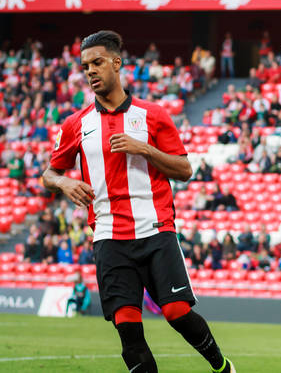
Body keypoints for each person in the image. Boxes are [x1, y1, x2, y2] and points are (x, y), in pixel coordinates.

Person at [42, 30, 233, 373]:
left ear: (117, 63)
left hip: (155, 230)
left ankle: (222, 367)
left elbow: (185, 169)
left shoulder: (153, 115)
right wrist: (63, 181)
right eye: (85, 66)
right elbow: (49, 174)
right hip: (108, 236)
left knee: (177, 312)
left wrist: (144, 148)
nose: (91, 71)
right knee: (128, 329)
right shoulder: (76, 124)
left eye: (97, 62)